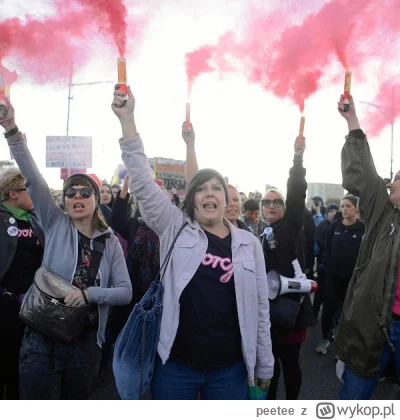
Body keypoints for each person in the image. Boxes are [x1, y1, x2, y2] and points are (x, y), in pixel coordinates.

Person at [112, 86, 273, 400]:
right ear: (191, 198)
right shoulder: (175, 226)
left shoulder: (248, 244)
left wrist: (263, 364)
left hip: (231, 369)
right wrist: (127, 121)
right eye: (202, 189)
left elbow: (260, 309)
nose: (209, 193)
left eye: (217, 188)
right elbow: (142, 182)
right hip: (176, 365)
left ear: (227, 200)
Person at [1, 101, 132, 400]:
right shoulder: (55, 222)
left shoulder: (110, 242)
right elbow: (32, 179)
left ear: (96, 200)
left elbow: (124, 291)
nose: (77, 195)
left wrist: (89, 295)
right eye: (71, 191)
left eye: (85, 192)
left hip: (86, 345)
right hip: (40, 340)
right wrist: (11, 130)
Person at [335, 94, 400, 399]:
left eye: (397, 178)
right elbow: (362, 172)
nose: (391, 183)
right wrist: (352, 122)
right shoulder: (382, 211)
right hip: (372, 328)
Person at [261, 134, 310, 400]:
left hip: (290, 311)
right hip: (268, 315)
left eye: (276, 201)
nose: (271, 205)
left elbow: (296, 193)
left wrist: (298, 159)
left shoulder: (290, 227)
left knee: (290, 365)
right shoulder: (261, 233)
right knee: (270, 367)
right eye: (266, 202)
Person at [0, 168, 44, 399]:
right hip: (4, 305)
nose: (33, 196)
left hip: (30, 309)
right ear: (13, 193)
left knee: (22, 370)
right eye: (28, 190)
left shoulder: (36, 220)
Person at [316, 195, 364, 355]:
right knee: (328, 309)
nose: (344, 209)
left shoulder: (362, 229)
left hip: (352, 280)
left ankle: (343, 345)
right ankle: (325, 338)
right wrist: (329, 265)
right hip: (333, 278)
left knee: (348, 313)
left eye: (348, 206)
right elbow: (327, 248)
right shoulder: (335, 226)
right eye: (342, 206)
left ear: (356, 208)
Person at [181, 123, 249, 232]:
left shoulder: (251, 239)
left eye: (235, 200)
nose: (231, 204)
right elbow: (194, 181)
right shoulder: (194, 230)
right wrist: (190, 144)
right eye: (202, 189)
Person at [313, 204, 339, 319]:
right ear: (327, 213)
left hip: (335, 266)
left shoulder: (339, 226)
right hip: (323, 264)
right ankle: (314, 315)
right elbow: (320, 242)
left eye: (335, 211)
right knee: (320, 292)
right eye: (331, 211)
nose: (333, 213)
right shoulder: (322, 226)